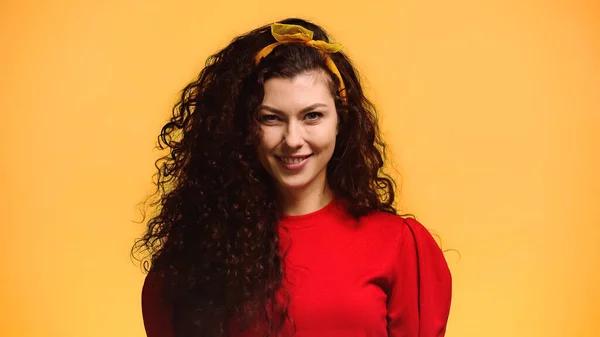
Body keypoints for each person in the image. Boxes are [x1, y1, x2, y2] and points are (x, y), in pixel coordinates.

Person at [132, 17, 452, 337]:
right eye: (271, 118)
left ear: (342, 121)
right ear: (245, 127)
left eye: (312, 116)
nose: (293, 139)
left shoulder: (399, 245)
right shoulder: (196, 255)